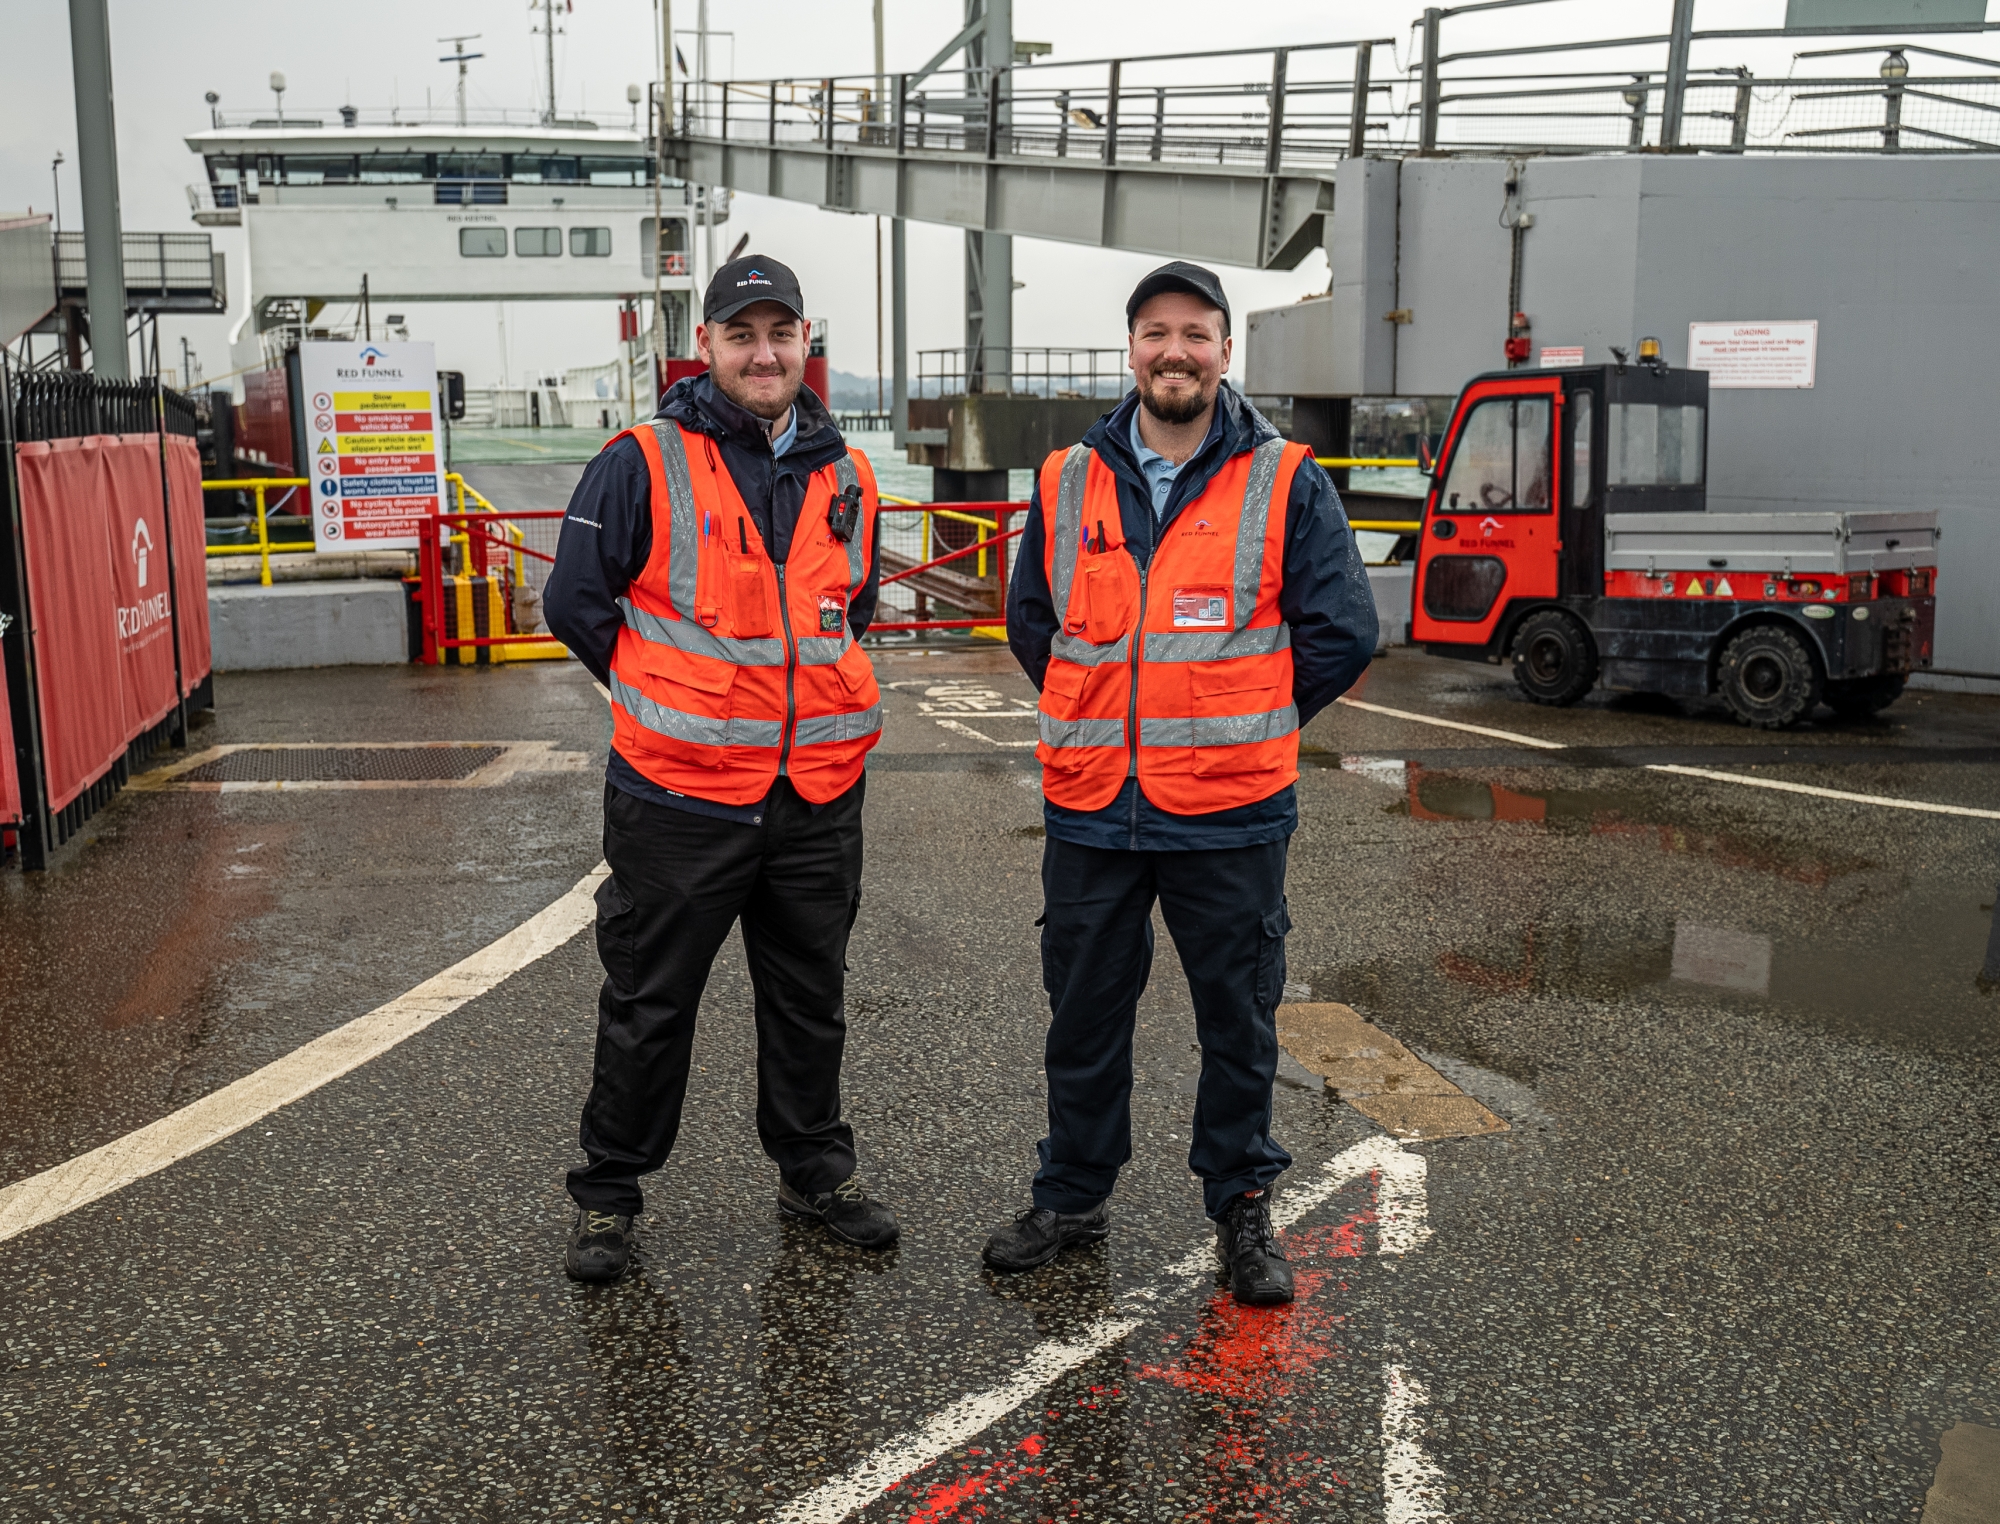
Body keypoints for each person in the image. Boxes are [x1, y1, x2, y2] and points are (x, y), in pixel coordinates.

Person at [985, 261, 1379, 1305]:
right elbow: (1036, 623)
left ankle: (1242, 1211)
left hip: (1229, 814)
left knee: (1238, 1023)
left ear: (1222, 352)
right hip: (1091, 810)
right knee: (1081, 1017)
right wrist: (1104, 717)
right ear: (1131, 349)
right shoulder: (1067, 478)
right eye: (1155, 332)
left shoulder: (1284, 478)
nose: (1175, 351)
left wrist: (1231, 726)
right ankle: (1069, 1197)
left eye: (1195, 334)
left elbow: (1343, 634)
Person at [545, 254, 898, 1283]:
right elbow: (576, 601)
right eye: (741, 334)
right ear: (706, 348)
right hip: (678, 797)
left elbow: (849, 608)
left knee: (808, 999)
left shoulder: (848, 473)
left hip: (816, 794)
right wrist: (671, 701)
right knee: (651, 1002)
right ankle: (609, 1195)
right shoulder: (640, 460)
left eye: (778, 333)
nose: (762, 352)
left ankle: (813, 1169)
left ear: (803, 346)